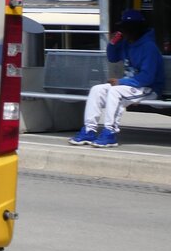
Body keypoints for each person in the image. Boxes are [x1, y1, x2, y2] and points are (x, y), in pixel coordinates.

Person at [69, 9, 165, 148]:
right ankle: (89, 130)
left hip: (149, 88)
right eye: (122, 28)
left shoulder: (148, 47)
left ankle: (110, 133)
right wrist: (113, 42)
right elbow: (112, 57)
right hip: (131, 86)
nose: (123, 31)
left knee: (115, 92)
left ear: (136, 28)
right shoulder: (128, 43)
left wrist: (121, 82)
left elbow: (147, 78)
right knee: (97, 89)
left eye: (126, 28)